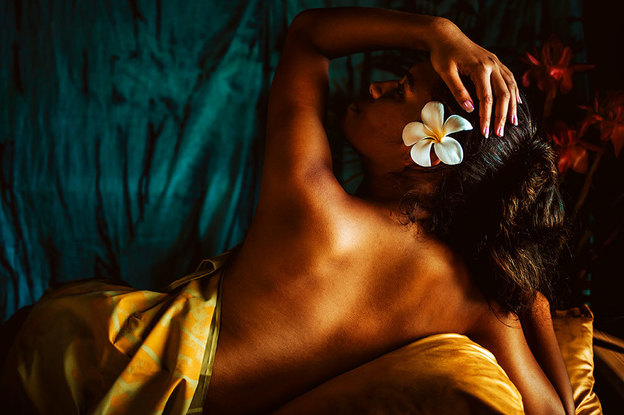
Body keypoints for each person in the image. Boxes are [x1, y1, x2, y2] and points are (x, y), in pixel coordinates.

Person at [1, 6, 575, 415]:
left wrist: (436, 32)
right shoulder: (469, 301)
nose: (375, 87)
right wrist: (525, 291)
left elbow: (309, 37)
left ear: (430, 154)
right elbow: (555, 410)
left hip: (104, 367)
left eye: (400, 88)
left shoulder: (311, 203)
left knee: (33, 331)